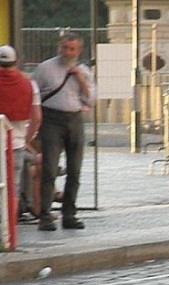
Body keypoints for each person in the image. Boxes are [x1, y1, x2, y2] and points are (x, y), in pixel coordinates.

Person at [32, 33, 93, 232]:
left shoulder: (83, 70)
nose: (67, 52)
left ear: (79, 51)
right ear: (59, 47)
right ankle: (45, 215)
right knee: (49, 168)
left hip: (74, 119)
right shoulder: (45, 68)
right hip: (51, 119)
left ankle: (69, 214)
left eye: (71, 49)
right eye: (64, 48)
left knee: (74, 170)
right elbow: (33, 94)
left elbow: (91, 100)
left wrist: (80, 78)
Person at [0, 45, 41, 222]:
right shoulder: (29, 84)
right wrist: (26, 139)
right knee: (13, 186)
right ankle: (9, 226)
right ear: (16, 62)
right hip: (15, 143)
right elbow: (37, 117)